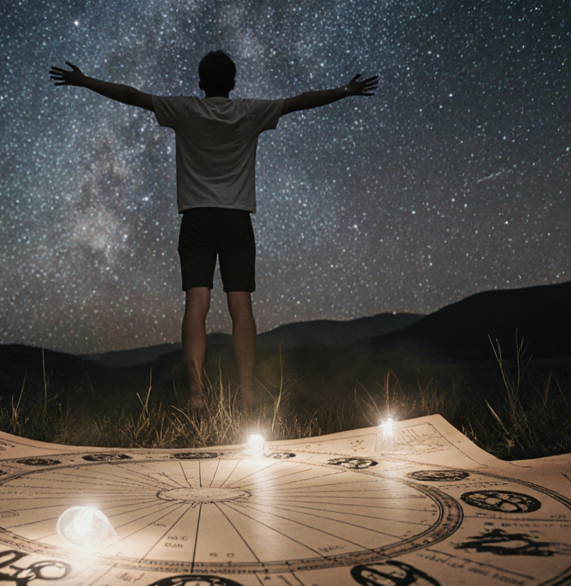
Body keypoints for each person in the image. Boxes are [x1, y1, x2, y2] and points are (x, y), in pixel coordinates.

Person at [50, 51, 378, 409]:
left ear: (201, 82)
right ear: (233, 82)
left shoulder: (185, 109)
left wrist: (86, 81)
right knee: (241, 305)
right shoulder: (250, 112)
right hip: (236, 218)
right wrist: (346, 90)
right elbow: (302, 101)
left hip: (197, 218)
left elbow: (132, 95)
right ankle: (247, 392)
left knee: (196, 304)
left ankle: (196, 395)